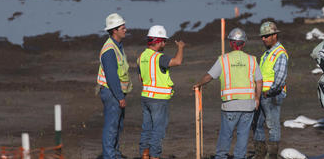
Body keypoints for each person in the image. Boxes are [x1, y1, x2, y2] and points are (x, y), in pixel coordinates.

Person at [193, 28, 263, 159]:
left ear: (231, 43)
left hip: (230, 105)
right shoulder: (252, 60)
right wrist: (257, 98)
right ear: (243, 43)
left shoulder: (223, 59)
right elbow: (259, 81)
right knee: (243, 137)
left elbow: (209, 76)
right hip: (248, 106)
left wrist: (199, 84)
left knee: (225, 136)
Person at [138, 25, 185, 159]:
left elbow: (140, 77)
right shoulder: (159, 57)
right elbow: (178, 61)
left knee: (146, 129)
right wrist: (180, 48)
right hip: (159, 100)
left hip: (146, 97)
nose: (164, 44)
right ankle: (154, 156)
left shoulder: (142, 57)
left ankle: (144, 155)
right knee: (158, 131)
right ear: (158, 41)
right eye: (164, 41)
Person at [97, 13, 132, 159]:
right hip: (112, 93)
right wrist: (119, 96)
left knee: (117, 126)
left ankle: (115, 154)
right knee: (112, 127)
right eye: (122, 27)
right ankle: (110, 156)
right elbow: (112, 77)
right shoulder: (110, 49)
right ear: (114, 30)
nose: (125, 29)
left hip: (116, 93)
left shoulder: (117, 46)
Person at [253, 21, 288, 159]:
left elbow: (280, 77)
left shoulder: (280, 53)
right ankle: (260, 154)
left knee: (273, 125)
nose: (263, 38)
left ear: (274, 35)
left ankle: (272, 155)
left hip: (272, 95)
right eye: (262, 36)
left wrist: (270, 91)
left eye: (266, 36)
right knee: (257, 124)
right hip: (262, 94)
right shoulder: (267, 53)